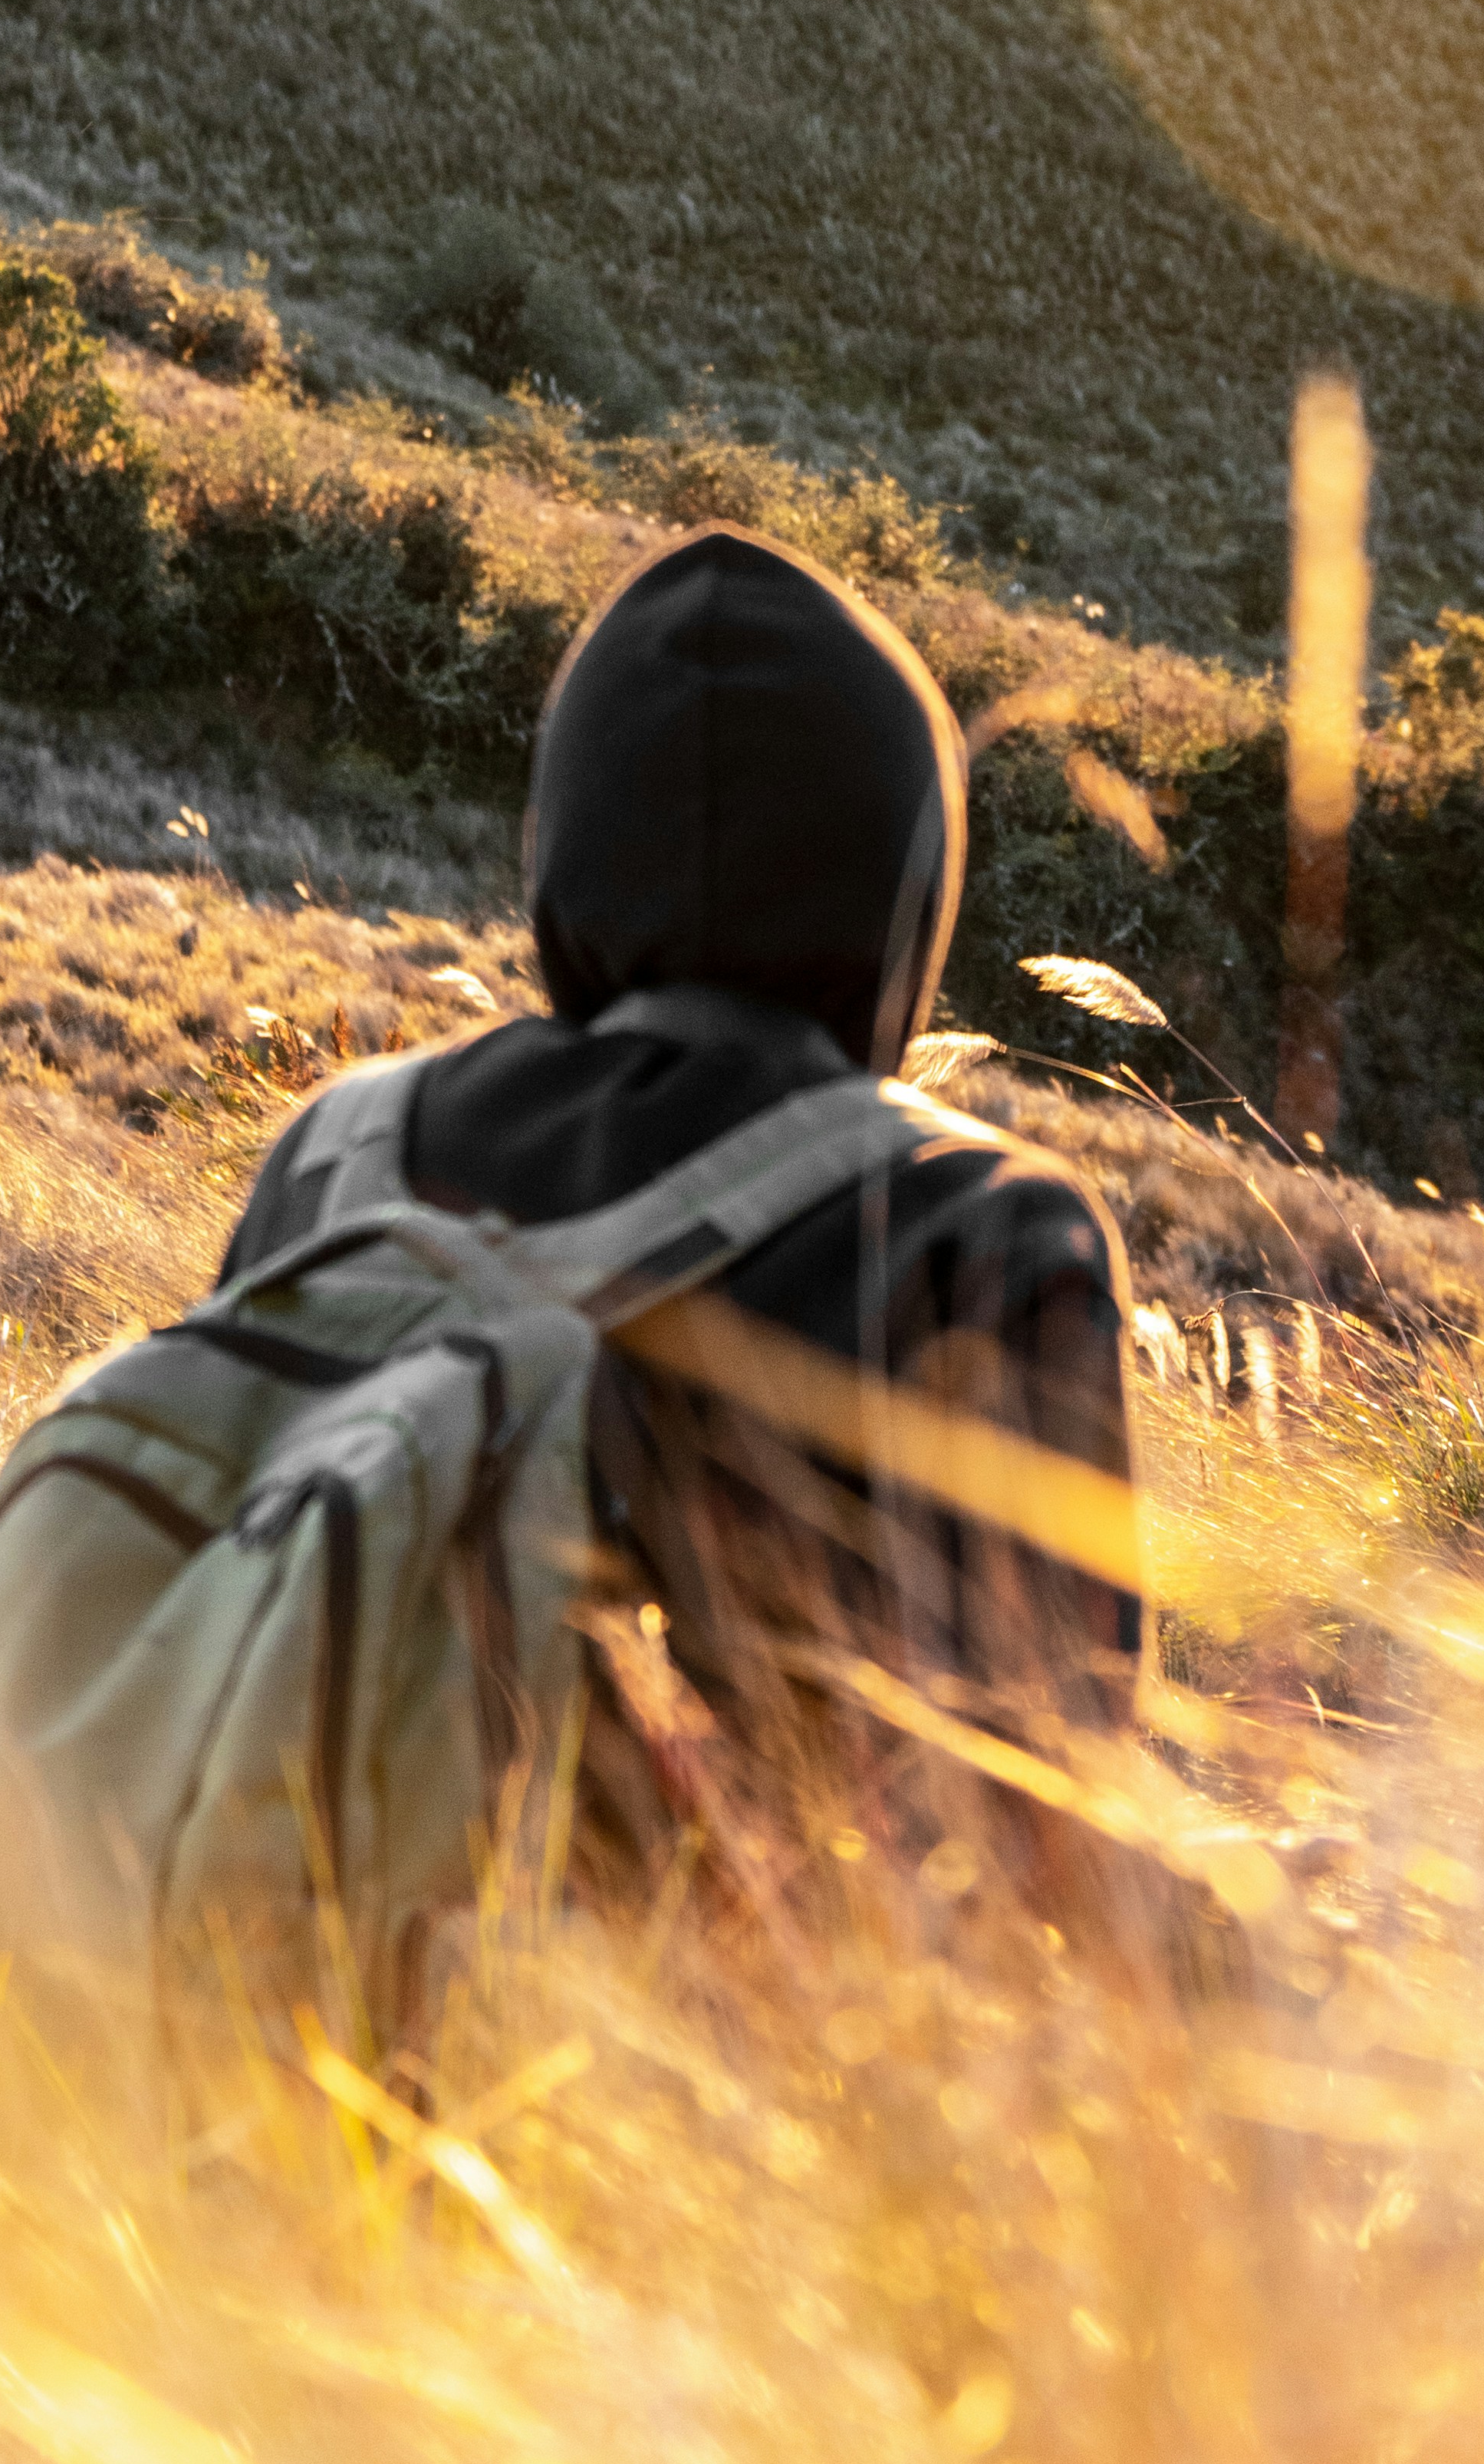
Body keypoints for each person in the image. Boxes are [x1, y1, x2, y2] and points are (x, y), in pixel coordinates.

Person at [223, 526, 1146, 1936]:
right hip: (705, 2107)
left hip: (240, 2040)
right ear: (909, 889)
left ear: (565, 847)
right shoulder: (979, 1223)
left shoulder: (337, 1154)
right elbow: (1043, 1831)